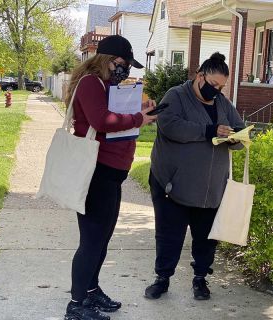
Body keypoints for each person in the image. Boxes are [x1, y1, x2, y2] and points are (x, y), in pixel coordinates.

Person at [63, 35, 157, 320]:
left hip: (112, 175)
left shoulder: (110, 85)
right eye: (123, 63)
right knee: (91, 241)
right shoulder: (91, 82)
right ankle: (76, 305)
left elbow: (119, 118)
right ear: (107, 60)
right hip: (97, 173)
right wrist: (139, 118)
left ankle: (91, 292)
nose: (126, 69)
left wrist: (142, 109)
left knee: (102, 240)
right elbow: (102, 121)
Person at [144, 52, 244, 301]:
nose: (216, 91)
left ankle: (200, 279)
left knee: (206, 238)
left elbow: (240, 131)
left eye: (221, 87)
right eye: (212, 85)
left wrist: (235, 137)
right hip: (173, 184)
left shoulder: (222, 102)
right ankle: (162, 278)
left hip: (210, 188)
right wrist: (209, 131)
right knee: (169, 235)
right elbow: (169, 125)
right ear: (199, 76)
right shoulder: (176, 95)